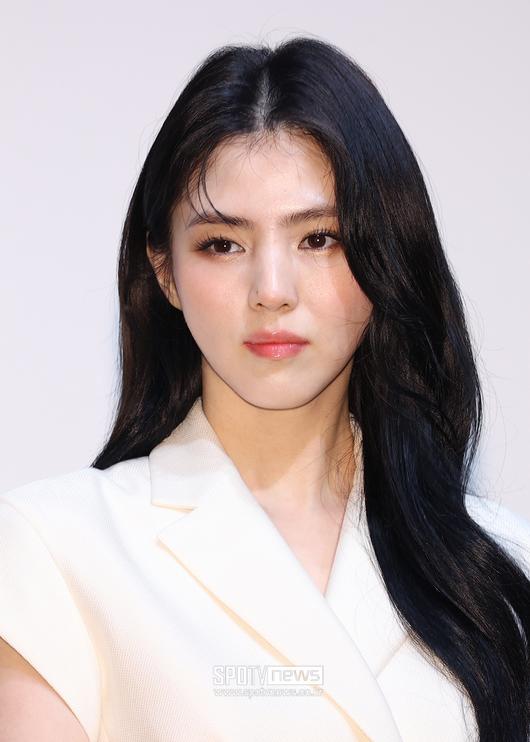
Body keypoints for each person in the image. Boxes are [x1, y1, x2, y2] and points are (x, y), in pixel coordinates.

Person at [1, 36, 529, 742]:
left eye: (319, 239)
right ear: (164, 271)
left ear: (386, 253)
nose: (272, 290)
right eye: (223, 244)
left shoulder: (502, 566)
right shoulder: (56, 550)